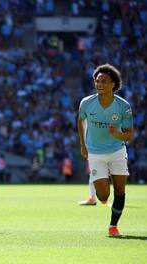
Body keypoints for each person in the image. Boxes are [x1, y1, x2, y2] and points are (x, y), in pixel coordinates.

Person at [77, 64, 133, 237]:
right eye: (97, 80)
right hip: (95, 153)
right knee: (102, 196)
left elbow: (129, 135)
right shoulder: (86, 103)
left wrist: (117, 133)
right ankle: (103, 182)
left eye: (104, 81)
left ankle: (113, 227)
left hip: (117, 152)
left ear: (114, 84)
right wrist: (83, 145)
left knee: (120, 191)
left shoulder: (123, 106)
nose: (99, 84)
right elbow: (80, 121)